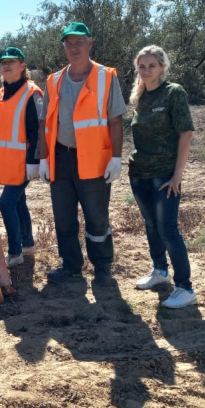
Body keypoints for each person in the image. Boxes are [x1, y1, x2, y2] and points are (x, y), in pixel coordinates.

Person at [39, 22, 127, 286]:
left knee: (97, 217)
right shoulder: (54, 80)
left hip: (93, 160)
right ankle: (71, 265)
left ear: (90, 43)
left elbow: (116, 120)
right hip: (61, 159)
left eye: (79, 42)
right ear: (63, 47)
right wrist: (43, 159)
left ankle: (102, 266)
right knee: (63, 217)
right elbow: (46, 121)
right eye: (69, 43)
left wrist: (116, 157)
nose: (73, 48)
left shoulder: (106, 76)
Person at [128, 45, 197, 308]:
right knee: (151, 224)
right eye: (142, 66)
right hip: (140, 173)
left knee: (168, 229)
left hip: (165, 175)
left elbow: (186, 133)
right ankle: (160, 271)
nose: (146, 71)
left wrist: (178, 174)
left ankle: (185, 288)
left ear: (162, 67)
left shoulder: (173, 93)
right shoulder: (140, 96)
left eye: (151, 66)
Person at [0, 47, 42, 267]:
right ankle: (28, 245)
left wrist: (33, 161)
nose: (7, 66)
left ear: (23, 66)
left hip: (23, 163)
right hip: (8, 163)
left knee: (6, 203)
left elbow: (38, 130)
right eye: (3, 63)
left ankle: (14, 253)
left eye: (12, 61)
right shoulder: (2, 93)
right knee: (19, 202)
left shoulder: (32, 93)